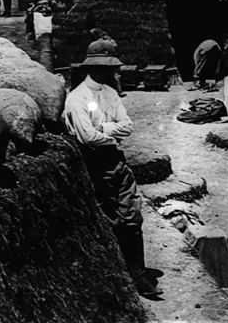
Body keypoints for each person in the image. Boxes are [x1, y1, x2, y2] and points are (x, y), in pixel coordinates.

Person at [63, 40, 163, 298]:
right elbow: (87, 138)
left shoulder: (110, 93)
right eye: (107, 68)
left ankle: (137, 273)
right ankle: (117, 272)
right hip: (94, 164)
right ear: (93, 68)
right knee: (111, 219)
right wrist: (110, 131)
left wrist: (105, 130)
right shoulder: (77, 98)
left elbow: (127, 125)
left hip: (116, 160)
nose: (112, 72)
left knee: (132, 217)